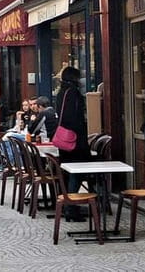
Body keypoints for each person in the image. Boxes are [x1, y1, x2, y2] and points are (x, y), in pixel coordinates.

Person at [56, 66, 91, 221]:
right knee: (77, 172)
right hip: (74, 139)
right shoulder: (73, 93)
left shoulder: (61, 92)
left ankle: (68, 204)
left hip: (64, 139)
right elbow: (75, 117)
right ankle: (72, 207)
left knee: (69, 172)